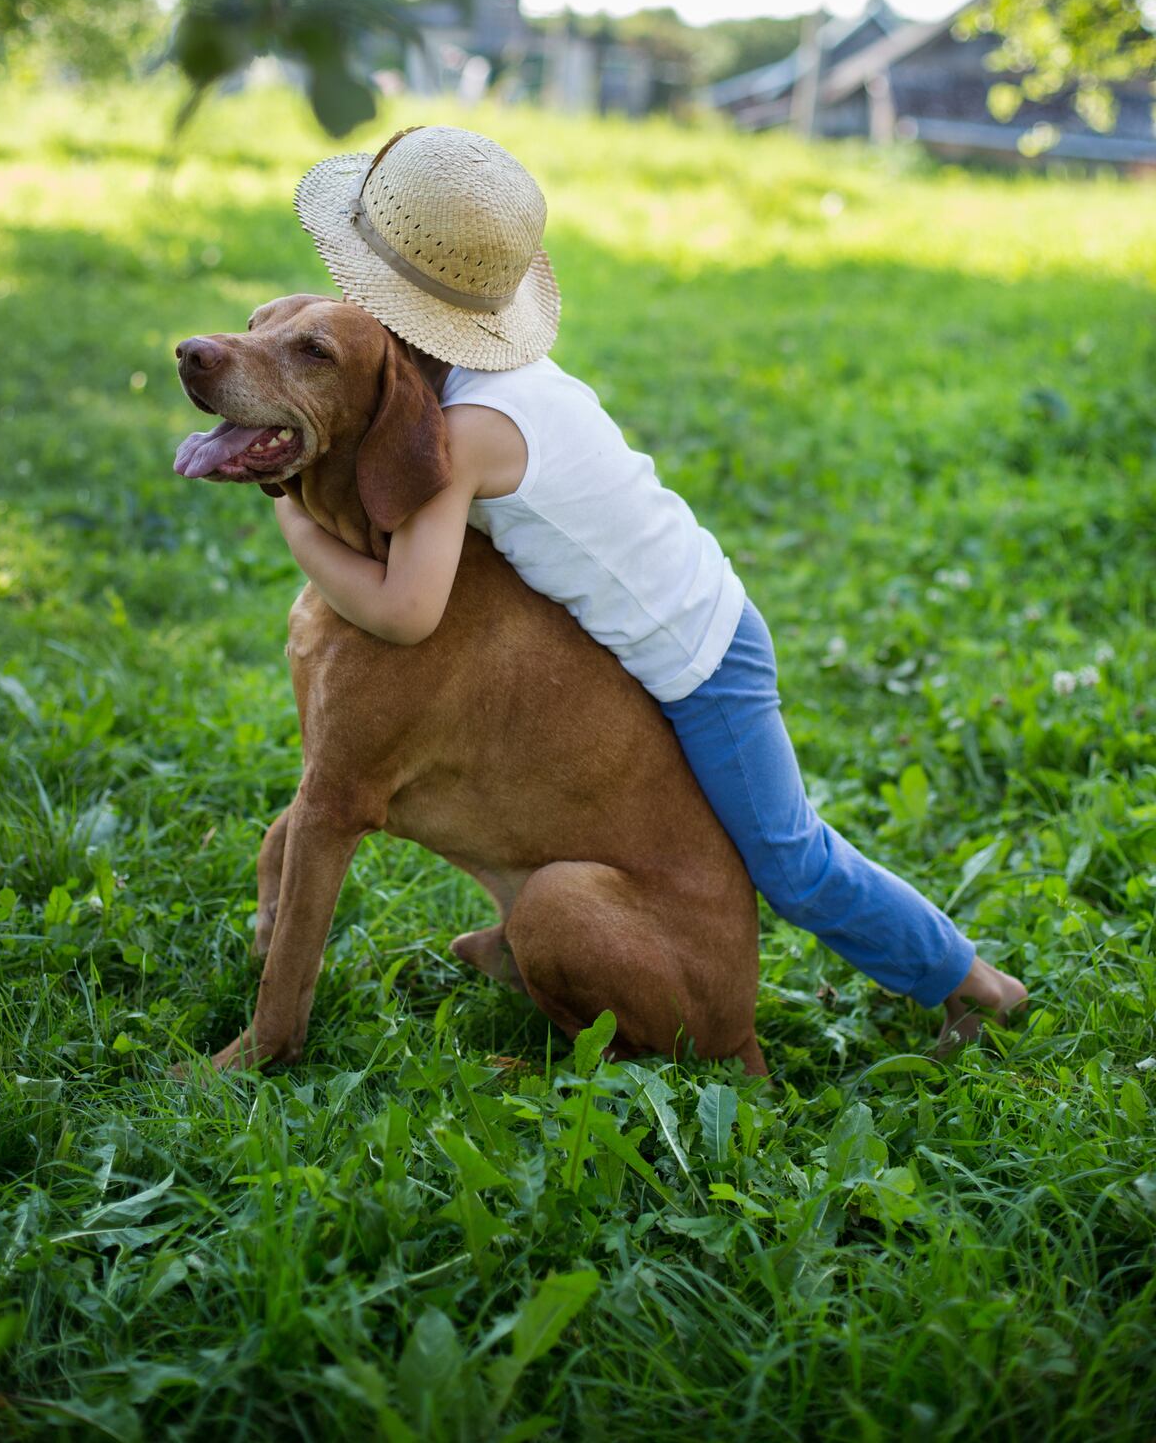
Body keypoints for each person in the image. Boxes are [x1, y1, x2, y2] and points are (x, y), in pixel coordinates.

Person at [284, 124, 1026, 1045]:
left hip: (702, 658)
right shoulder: (498, 372)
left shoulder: (470, 429)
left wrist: (291, 515)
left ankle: (974, 984)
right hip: (668, 621)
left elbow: (407, 608)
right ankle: (530, 937)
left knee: (791, 861)